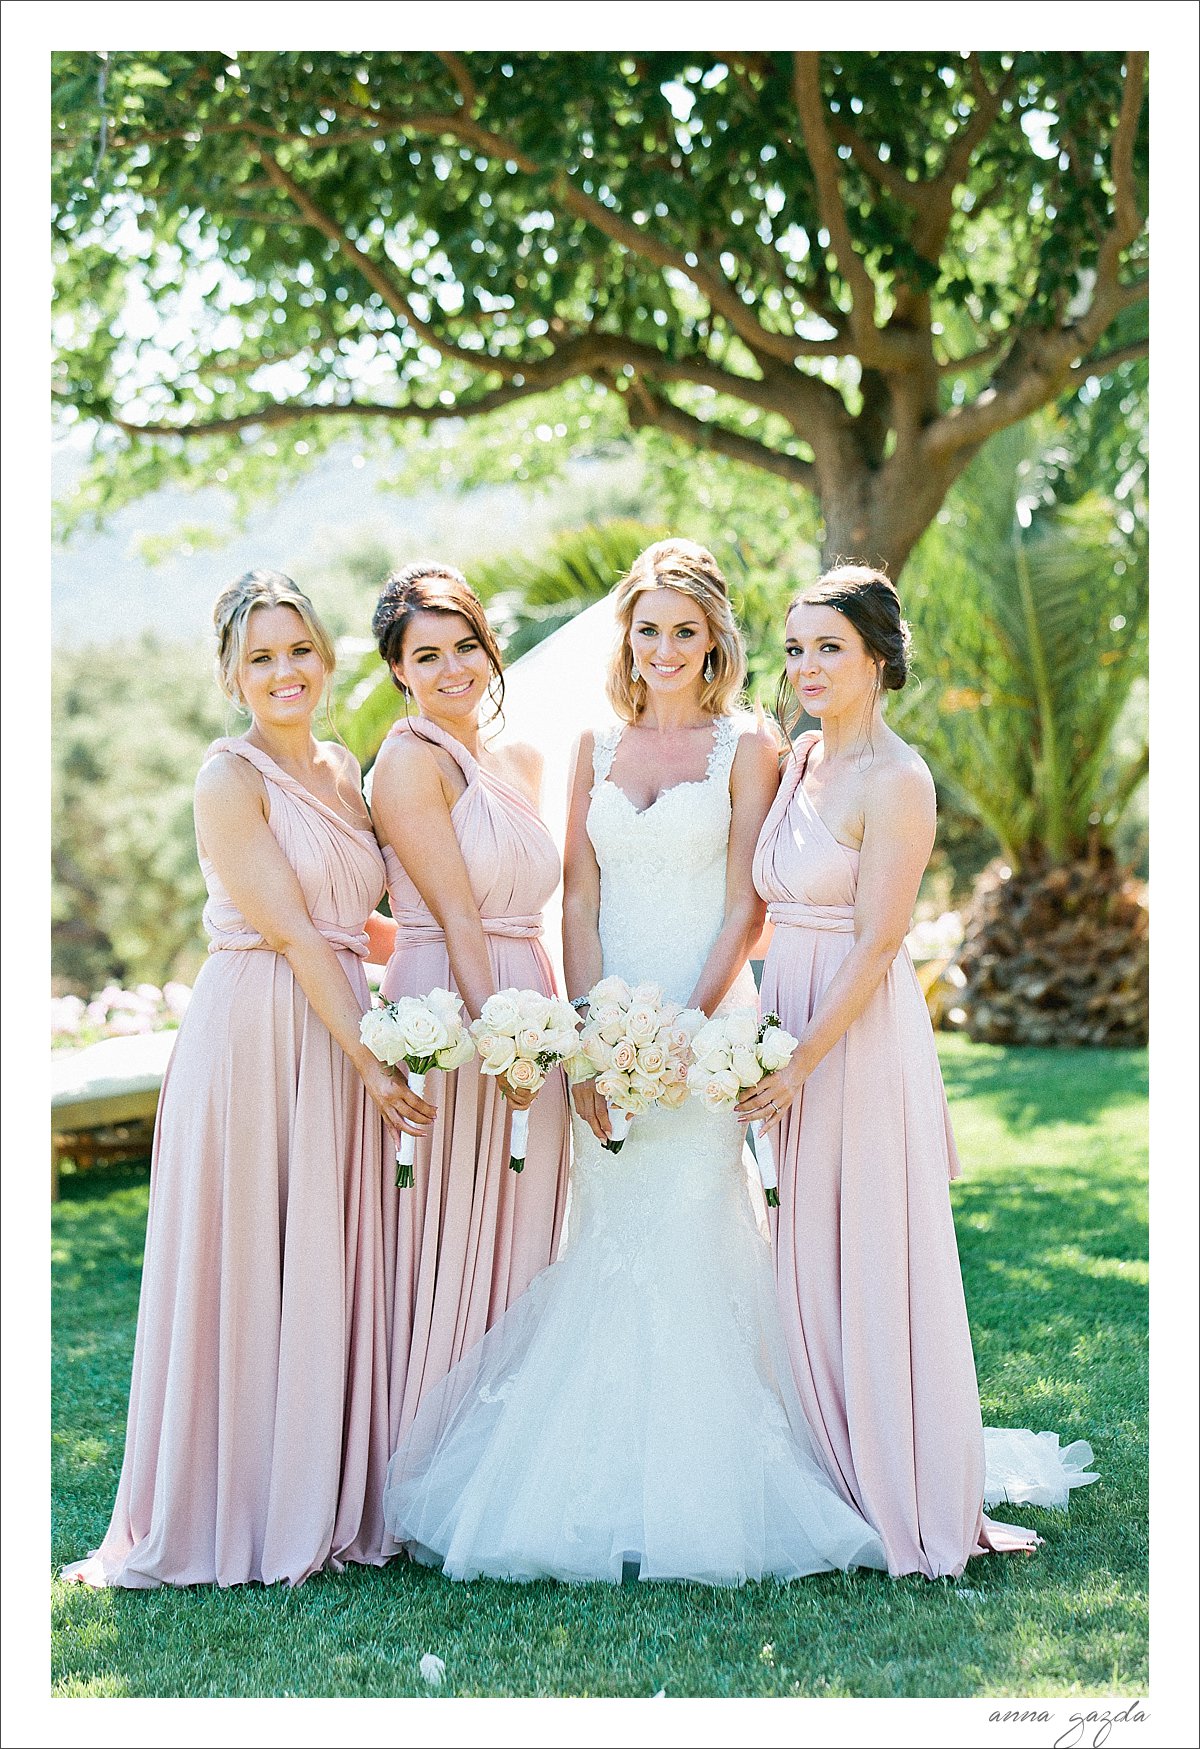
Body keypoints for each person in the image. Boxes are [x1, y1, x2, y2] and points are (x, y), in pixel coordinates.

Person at [381, 538, 889, 1584]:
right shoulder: (592, 750)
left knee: (696, 1228)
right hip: (603, 1028)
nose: (664, 648)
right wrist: (594, 1035)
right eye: (648, 629)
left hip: (703, 1024)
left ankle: (722, 1482)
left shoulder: (745, 743)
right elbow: (579, 893)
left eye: (685, 631)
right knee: (609, 1234)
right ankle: (594, 1474)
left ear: (715, 642)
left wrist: (685, 1031)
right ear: (630, 638)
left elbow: (749, 903)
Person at [63, 570, 434, 1588]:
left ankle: (322, 1491)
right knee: (249, 1254)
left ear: (325, 657)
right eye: (261, 658)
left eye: (299, 651)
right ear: (233, 675)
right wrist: (371, 1059)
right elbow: (294, 935)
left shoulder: (342, 768)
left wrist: (475, 958)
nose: (285, 672)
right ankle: (235, 1510)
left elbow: (356, 922)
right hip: (259, 1028)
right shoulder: (227, 778)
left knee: (325, 1249)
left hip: (338, 1021)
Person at [738, 565, 1095, 1580]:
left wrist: (801, 1060)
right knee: (801, 1248)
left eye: (829, 648)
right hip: (783, 1030)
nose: (807, 666)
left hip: (852, 1038)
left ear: (879, 658)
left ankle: (902, 1483)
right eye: (797, 647)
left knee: (872, 1249)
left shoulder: (898, 779)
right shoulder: (800, 760)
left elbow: (880, 941)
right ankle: (829, 1461)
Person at [368, 564, 571, 1458]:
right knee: (446, 1226)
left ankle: (505, 1454)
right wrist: (500, 1045)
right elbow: (455, 916)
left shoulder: (519, 761)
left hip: (528, 988)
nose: (453, 668)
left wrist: (551, 1033)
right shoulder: (407, 762)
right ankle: (426, 1450)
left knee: (527, 1222)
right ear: (399, 671)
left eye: (466, 646)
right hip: (455, 1008)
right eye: (427, 655)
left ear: (490, 649)